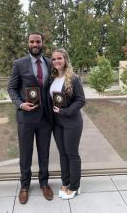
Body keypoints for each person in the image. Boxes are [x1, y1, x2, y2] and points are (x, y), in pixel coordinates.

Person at [8, 32, 53, 204]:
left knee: (44, 154)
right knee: (25, 154)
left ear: (42, 43)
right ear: (28, 43)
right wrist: (20, 104)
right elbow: (11, 88)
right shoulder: (19, 64)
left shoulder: (50, 63)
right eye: (32, 41)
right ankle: (25, 186)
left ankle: (44, 183)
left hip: (45, 119)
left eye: (38, 41)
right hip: (26, 118)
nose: (35, 44)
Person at [49, 48, 85, 199]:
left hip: (72, 122)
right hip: (57, 123)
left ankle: (75, 186)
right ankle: (66, 181)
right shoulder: (52, 79)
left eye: (60, 58)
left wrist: (64, 112)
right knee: (62, 153)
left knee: (72, 154)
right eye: (54, 59)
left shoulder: (73, 78)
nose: (57, 61)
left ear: (65, 60)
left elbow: (81, 100)